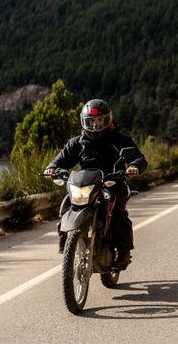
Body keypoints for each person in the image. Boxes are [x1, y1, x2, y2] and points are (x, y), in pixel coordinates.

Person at [43, 99, 147, 269]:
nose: (96, 124)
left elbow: (138, 157)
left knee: (117, 211)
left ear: (108, 120)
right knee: (66, 206)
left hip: (113, 182)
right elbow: (60, 160)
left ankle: (124, 251)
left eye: (100, 120)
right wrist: (52, 169)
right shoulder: (77, 143)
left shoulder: (118, 139)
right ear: (85, 121)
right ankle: (67, 248)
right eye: (92, 120)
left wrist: (134, 166)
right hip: (86, 185)